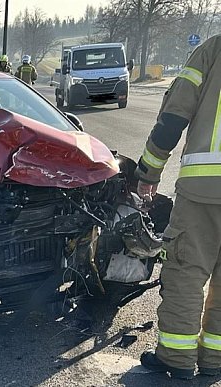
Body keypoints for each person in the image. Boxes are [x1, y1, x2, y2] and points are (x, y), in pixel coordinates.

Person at [135, 34, 221, 380]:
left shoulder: (212, 51)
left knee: (185, 270)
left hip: (206, 187)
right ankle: (215, 358)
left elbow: (174, 115)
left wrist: (148, 171)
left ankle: (177, 356)